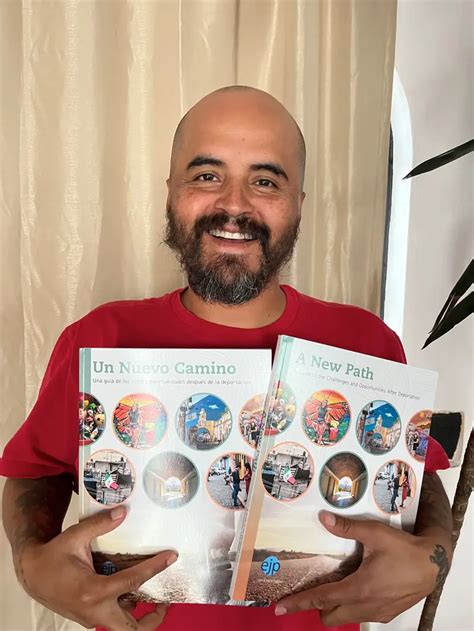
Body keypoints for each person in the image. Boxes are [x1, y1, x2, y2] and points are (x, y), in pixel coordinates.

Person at [1, 86, 452, 631]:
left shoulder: (365, 340)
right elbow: (38, 470)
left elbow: (415, 474)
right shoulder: (102, 337)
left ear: (299, 203)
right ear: (171, 193)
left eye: (265, 181)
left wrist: (435, 555)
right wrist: (31, 564)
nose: (234, 205)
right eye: (206, 175)